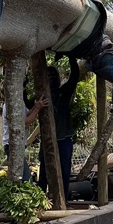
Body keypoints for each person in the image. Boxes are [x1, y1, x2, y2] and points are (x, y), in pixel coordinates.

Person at [38, 57, 80, 201]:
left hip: (64, 139)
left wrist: (71, 57)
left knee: (64, 171)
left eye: (53, 76)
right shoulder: (41, 96)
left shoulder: (64, 92)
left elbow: (74, 78)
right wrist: (24, 87)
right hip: (47, 139)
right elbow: (29, 104)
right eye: (47, 76)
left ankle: (63, 199)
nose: (50, 78)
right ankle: (39, 199)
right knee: (44, 171)